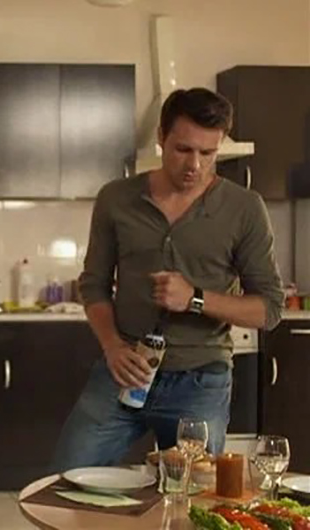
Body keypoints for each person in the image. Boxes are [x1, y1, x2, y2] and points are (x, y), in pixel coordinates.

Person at [49, 88, 283, 472]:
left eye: (208, 153)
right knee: (66, 480)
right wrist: (112, 346)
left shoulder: (244, 208)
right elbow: (93, 284)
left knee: (190, 495)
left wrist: (194, 298)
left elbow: (269, 309)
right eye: (183, 149)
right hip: (123, 370)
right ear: (161, 136)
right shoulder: (116, 199)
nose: (195, 165)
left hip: (200, 382)